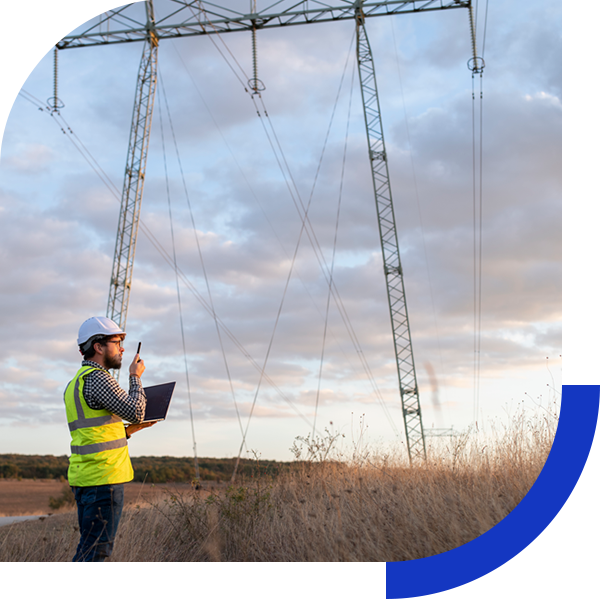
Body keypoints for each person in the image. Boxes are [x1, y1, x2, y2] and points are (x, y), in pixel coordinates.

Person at [64, 316, 155, 562]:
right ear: (98, 346)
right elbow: (136, 411)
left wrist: (126, 432)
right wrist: (135, 376)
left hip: (86, 479)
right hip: (103, 480)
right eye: (117, 342)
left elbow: (91, 432)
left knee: (88, 549)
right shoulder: (99, 378)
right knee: (96, 553)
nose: (122, 348)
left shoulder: (75, 383)